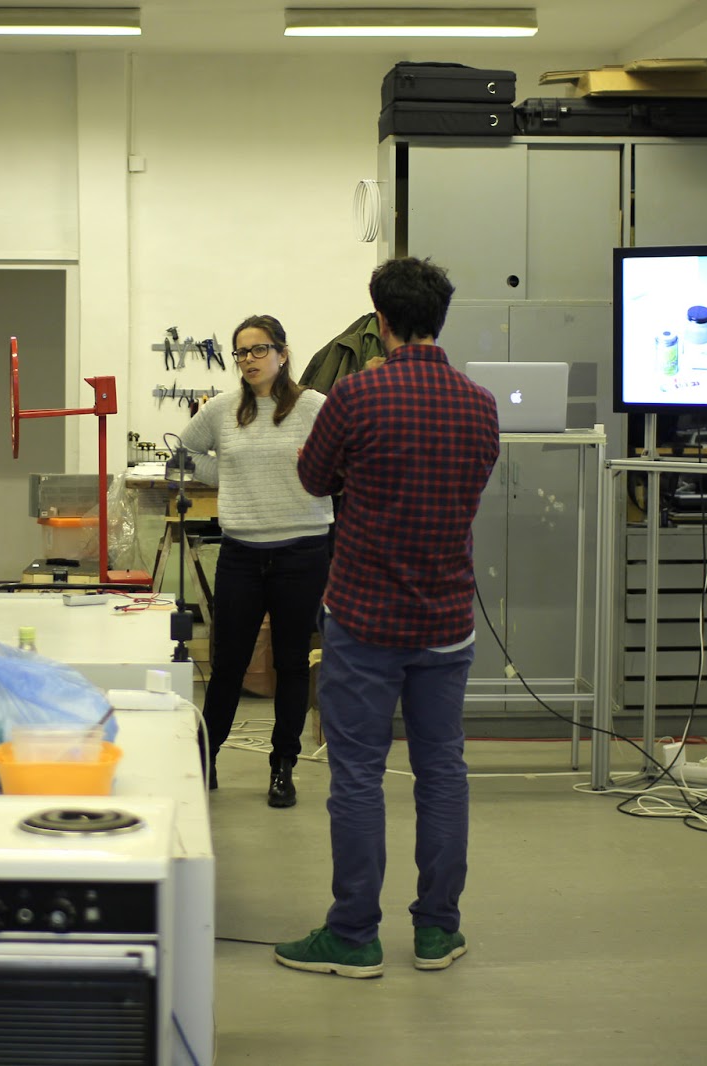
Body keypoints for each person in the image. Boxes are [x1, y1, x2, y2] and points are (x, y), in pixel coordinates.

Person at [279, 257, 499, 978]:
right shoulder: (480, 404)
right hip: (446, 621)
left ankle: (353, 936)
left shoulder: (356, 395)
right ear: (439, 319)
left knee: (357, 777)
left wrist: (355, 472)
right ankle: (438, 931)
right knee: (442, 772)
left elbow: (314, 478)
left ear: (380, 321)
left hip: (365, 618)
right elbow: (471, 483)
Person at [177, 314, 332, 806]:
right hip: (241, 554)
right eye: (241, 352)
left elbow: (343, 461)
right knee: (228, 665)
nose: (249, 359)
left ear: (283, 354)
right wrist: (228, 475)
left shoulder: (314, 407)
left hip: (302, 551)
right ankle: (205, 759)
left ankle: (283, 767)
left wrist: (318, 469)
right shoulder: (223, 410)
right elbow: (183, 452)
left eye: (259, 349)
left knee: (291, 663)